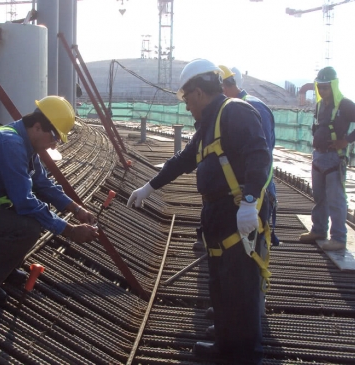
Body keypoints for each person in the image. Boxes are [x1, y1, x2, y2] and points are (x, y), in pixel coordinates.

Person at [127, 58, 271, 364]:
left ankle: (244, 356)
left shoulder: (235, 112)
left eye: (185, 98)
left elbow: (260, 155)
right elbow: (183, 160)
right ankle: (224, 347)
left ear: (197, 92)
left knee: (241, 291)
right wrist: (149, 187)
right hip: (219, 221)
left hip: (238, 220)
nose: (186, 106)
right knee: (221, 288)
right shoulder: (209, 126)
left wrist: (248, 201)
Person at [0, 95, 99, 303]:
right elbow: (24, 202)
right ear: (36, 126)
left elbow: (42, 184)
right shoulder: (11, 145)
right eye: (53, 136)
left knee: (40, 213)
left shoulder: (23, 141)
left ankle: (2, 265)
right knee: (29, 227)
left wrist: (76, 209)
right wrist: (70, 231)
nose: (53, 145)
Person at [299, 66, 355, 251]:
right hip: (318, 156)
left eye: (326, 87)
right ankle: (319, 230)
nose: (322, 90)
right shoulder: (319, 105)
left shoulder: (345, 105)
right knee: (319, 197)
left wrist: (346, 140)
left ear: (333, 86)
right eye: (320, 87)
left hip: (334, 158)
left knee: (336, 199)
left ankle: (338, 238)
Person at [219, 64, 279, 247]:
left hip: (255, 188)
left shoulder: (253, 107)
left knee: (253, 245)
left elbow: (262, 156)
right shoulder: (230, 107)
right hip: (240, 186)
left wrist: (251, 197)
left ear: (224, 88)